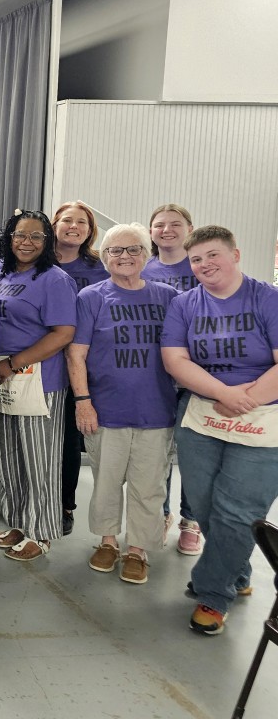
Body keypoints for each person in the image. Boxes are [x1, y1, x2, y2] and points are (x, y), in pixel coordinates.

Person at [161, 225, 278, 635]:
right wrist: (222, 393)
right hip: (202, 416)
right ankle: (236, 571)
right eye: (196, 259)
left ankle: (213, 595)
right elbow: (176, 360)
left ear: (235, 254)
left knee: (238, 510)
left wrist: (245, 400)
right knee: (206, 504)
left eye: (213, 255)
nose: (205, 264)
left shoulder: (268, 298)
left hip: (262, 421)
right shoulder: (185, 305)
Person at [65, 223, 178, 585]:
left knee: (149, 485)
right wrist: (83, 401)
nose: (124, 257)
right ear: (106, 257)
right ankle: (108, 541)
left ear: (147, 255)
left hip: (156, 409)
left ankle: (138, 549)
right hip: (105, 408)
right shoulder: (91, 298)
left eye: (133, 250)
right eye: (115, 251)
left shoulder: (169, 297)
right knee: (106, 481)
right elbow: (76, 355)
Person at [0, 210, 78, 561]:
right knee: (9, 457)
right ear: (9, 238)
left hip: (38, 380)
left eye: (36, 236)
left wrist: (14, 363)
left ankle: (41, 532)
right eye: (20, 235)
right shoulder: (4, 273)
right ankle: (18, 520)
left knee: (39, 459)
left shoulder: (54, 279)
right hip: (3, 374)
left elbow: (64, 333)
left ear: (47, 242)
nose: (26, 242)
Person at [142, 203, 203, 554]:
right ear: (150, 232)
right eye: (159, 225)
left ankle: (191, 521)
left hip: (196, 372)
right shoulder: (144, 266)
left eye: (175, 224)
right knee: (158, 451)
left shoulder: (198, 265)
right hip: (154, 372)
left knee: (192, 450)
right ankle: (160, 513)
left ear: (189, 228)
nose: (166, 230)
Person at [52, 201, 111, 537]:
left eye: (82, 222)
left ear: (90, 231)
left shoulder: (99, 268)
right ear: (55, 224)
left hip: (79, 368)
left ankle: (64, 505)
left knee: (68, 441)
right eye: (67, 220)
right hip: (37, 365)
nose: (73, 227)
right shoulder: (36, 262)